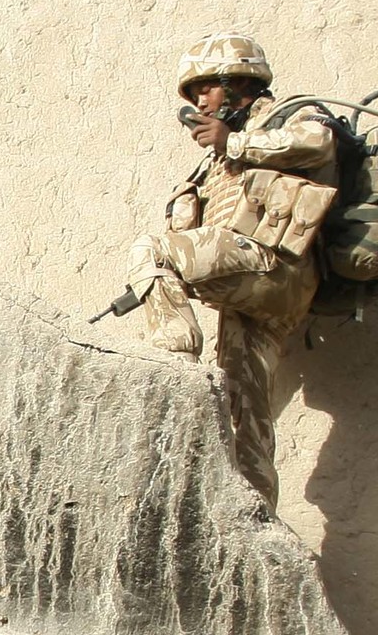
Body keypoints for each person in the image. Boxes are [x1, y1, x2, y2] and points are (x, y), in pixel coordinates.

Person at [122, 35, 341, 512]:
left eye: (208, 88)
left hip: (272, 262)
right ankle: (252, 513)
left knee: (152, 251)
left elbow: (319, 141)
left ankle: (174, 374)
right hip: (260, 289)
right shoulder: (213, 164)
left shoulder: (287, 116)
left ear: (238, 82)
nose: (200, 101)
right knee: (245, 409)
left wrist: (234, 141)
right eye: (194, 92)